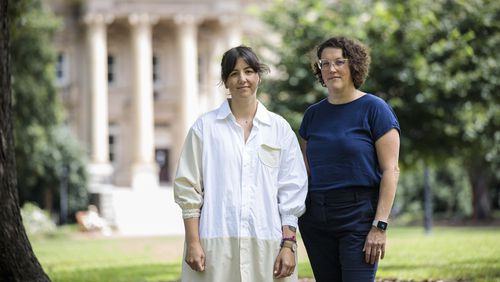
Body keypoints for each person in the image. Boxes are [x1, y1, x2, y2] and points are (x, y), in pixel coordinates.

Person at [174, 45, 308, 282]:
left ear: (258, 76)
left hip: (268, 245)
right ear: (225, 81)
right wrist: (193, 243)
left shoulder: (279, 129)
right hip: (216, 245)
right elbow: (188, 188)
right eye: (234, 73)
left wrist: (289, 245)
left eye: (248, 71)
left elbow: (292, 190)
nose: (242, 79)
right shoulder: (204, 128)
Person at [298, 36, 401, 281]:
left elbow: (391, 170)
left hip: (359, 216)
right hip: (316, 219)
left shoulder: (375, 109)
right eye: (324, 63)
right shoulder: (312, 115)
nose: (331, 69)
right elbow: (305, 171)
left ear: (353, 65)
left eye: (339, 62)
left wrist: (380, 225)